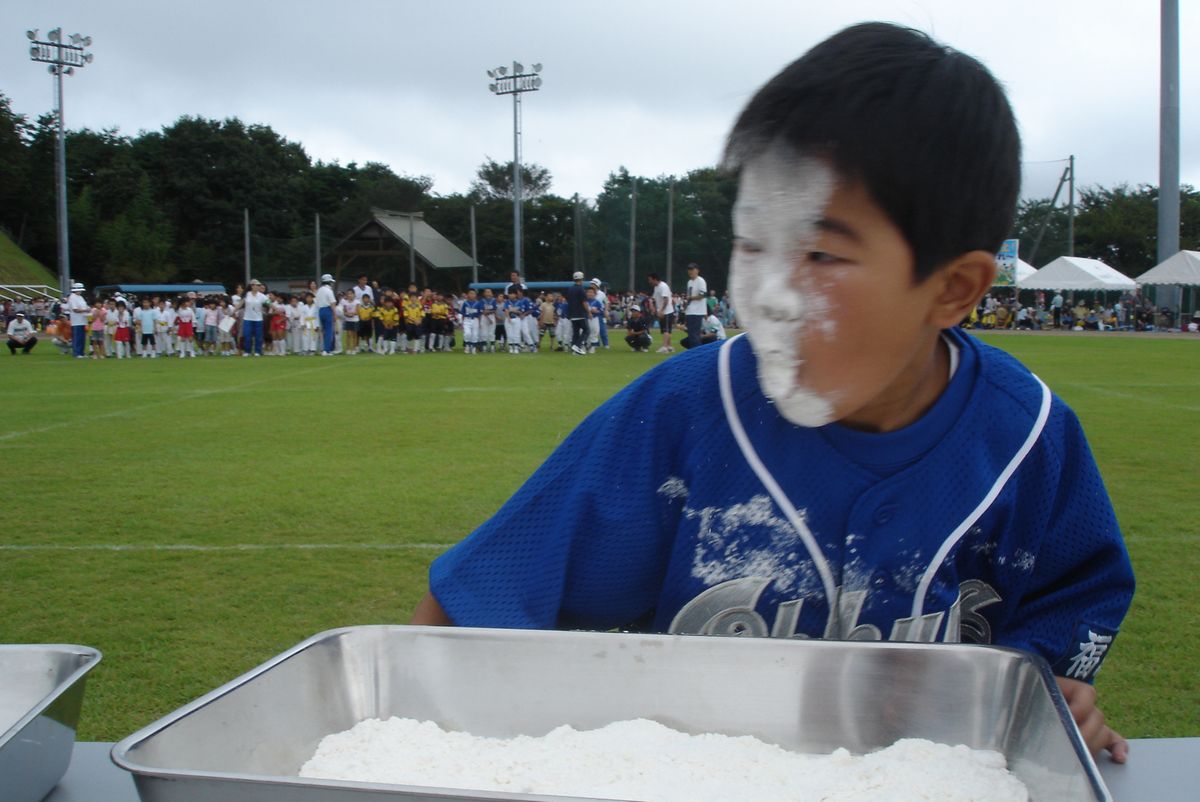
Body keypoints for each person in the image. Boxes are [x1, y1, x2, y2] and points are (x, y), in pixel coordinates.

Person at [411, 23, 1134, 764]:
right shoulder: (687, 410)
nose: (770, 292)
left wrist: (1048, 705)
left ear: (953, 289)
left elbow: (1069, 610)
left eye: (821, 253)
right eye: (754, 243)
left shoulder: (1026, 437)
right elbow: (468, 608)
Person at [240, 280, 269, 356]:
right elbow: (241, 304)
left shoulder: (262, 296)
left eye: (259, 285)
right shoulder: (247, 294)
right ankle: (247, 351)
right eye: (256, 285)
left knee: (258, 336)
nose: (258, 287)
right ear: (252, 286)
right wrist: (233, 311)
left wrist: (275, 308)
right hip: (247, 318)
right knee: (247, 335)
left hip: (258, 319)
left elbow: (268, 302)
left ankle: (257, 351)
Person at [683, 263, 708, 352]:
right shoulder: (689, 282)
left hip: (698, 311)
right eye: (689, 270)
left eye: (692, 270)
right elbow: (689, 295)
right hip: (690, 310)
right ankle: (694, 351)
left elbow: (702, 295)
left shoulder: (700, 281)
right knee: (691, 333)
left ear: (697, 270)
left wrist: (690, 298)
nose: (691, 272)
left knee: (695, 334)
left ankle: (697, 351)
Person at [648, 273, 675, 353]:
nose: (649, 282)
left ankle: (665, 347)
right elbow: (654, 298)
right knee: (665, 330)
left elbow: (666, 300)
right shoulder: (656, 287)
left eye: (650, 280)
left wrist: (662, 310)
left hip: (667, 311)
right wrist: (652, 306)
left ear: (655, 279)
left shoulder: (663, 286)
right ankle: (669, 346)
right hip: (662, 311)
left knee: (666, 330)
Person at [565, 271, 590, 355]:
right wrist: (589, 312)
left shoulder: (570, 289)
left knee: (576, 332)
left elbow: (569, 301)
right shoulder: (581, 289)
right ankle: (577, 346)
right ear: (581, 279)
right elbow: (584, 302)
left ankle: (574, 349)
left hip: (572, 314)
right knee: (586, 330)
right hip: (581, 314)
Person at [315, 274, 338, 355]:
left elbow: (317, 303)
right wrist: (335, 314)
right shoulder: (329, 290)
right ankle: (327, 350)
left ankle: (324, 348)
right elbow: (332, 303)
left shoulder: (319, 291)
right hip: (327, 310)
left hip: (320, 310)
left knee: (324, 331)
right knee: (329, 331)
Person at [66, 282, 89, 358]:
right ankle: (77, 353)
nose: (80, 291)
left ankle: (81, 352)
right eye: (79, 290)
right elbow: (75, 309)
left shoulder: (80, 297)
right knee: (77, 337)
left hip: (83, 320)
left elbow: (85, 306)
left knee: (82, 338)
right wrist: (85, 310)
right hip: (76, 321)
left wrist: (87, 310)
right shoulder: (72, 297)